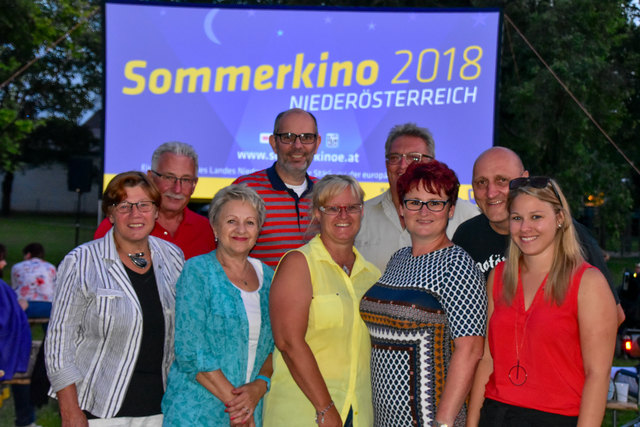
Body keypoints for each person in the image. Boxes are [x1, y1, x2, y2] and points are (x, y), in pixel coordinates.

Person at [467, 176, 617, 426]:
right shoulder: (499, 276)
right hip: (495, 414)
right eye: (517, 218)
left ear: (559, 218)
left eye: (536, 217)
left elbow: (597, 376)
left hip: (556, 418)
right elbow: (487, 359)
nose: (525, 227)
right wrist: (471, 422)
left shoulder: (588, 283)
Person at [46, 171, 184, 425]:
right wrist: (69, 408)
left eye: (144, 205)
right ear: (109, 214)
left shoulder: (173, 257)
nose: (135, 214)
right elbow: (58, 342)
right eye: (124, 206)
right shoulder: (81, 261)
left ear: (156, 212)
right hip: (100, 409)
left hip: (162, 407)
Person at [360, 161, 486, 427]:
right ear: (403, 209)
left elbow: (471, 349)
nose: (424, 211)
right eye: (414, 202)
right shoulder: (398, 259)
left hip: (430, 418)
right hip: (384, 417)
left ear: (450, 209)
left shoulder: (458, 265)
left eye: (435, 202)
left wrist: (443, 422)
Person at [452, 146, 624, 323]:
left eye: (502, 180)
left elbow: (614, 316)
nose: (491, 192)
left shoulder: (567, 235)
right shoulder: (465, 237)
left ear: (524, 179)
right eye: (481, 182)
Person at [264, 175, 380, 427]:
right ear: (317, 213)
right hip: (305, 413)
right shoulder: (298, 264)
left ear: (362, 212)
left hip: (359, 414)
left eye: (352, 207)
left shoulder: (372, 275)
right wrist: (325, 408)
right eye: (332, 208)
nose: (343, 215)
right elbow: (288, 342)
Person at [162, 184, 274, 427]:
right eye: (231, 221)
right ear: (214, 226)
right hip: (197, 412)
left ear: (259, 229)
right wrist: (239, 411)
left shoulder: (270, 278)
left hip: (253, 409)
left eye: (250, 222)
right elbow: (191, 350)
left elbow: (279, 344)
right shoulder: (197, 272)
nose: (241, 230)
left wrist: (260, 384)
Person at [355, 122, 480, 272]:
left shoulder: (468, 216)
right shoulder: (360, 215)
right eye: (394, 157)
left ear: (432, 163)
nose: (402, 165)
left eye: (414, 158)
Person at [95, 141, 215, 260]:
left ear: (194, 185)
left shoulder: (208, 231)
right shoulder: (116, 227)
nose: (177, 189)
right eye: (169, 177)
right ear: (151, 178)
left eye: (186, 179)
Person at [233, 108, 320, 268]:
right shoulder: (245, 189)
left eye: (307, 137)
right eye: (288, 137)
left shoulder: (325, 193)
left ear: (317, 144)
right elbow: (227, 256)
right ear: (274, 143)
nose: (298, 146)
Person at [0, 243, 34, 427]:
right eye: (1, 259)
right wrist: (19, 308)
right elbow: (7, 323)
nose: (4, 263)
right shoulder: (1, 288)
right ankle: (27, 421)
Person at [11, 242, 56, 319]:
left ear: (28, 254)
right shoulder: (51, 267)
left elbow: (14, 288)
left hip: (24, 306)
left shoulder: (17, 267)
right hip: (48, 306)